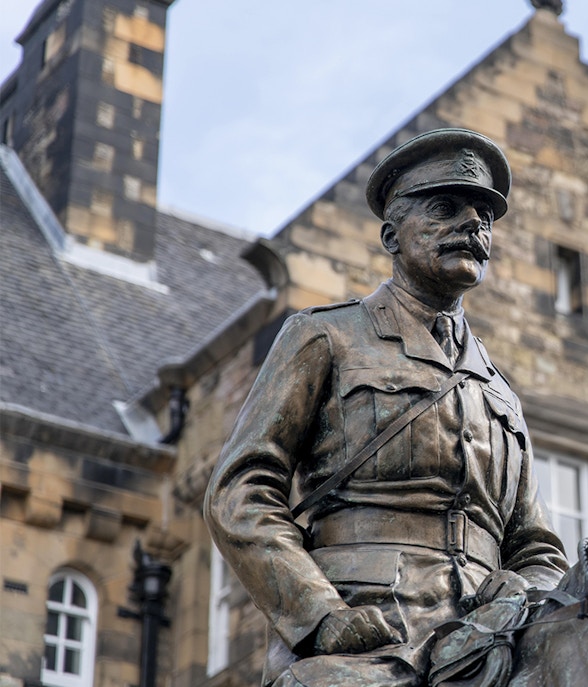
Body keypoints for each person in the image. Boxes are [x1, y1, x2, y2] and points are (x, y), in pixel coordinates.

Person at [204, 128, 568, 687]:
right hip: (370, 632)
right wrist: (321, 615)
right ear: (391, 236)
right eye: (445, 209)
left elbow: (536, 546)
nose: (472, 226)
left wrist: (524, 588)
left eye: (484, 218)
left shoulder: (499, 393)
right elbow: (241, 493)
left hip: (488, 640)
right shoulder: (325, 337)